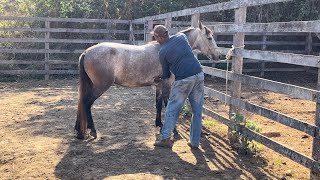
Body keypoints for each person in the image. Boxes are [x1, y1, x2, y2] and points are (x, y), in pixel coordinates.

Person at [152, 25, 204, 149]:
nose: (154, 38)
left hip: (184, 80)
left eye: (155, 36)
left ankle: (165, 138)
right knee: (197, 110)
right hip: (199, 74)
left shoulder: (162, 51)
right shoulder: (181, 37)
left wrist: (158, 78)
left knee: (172, 108)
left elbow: (166, 75)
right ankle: (195, 142)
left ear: (158, 37)